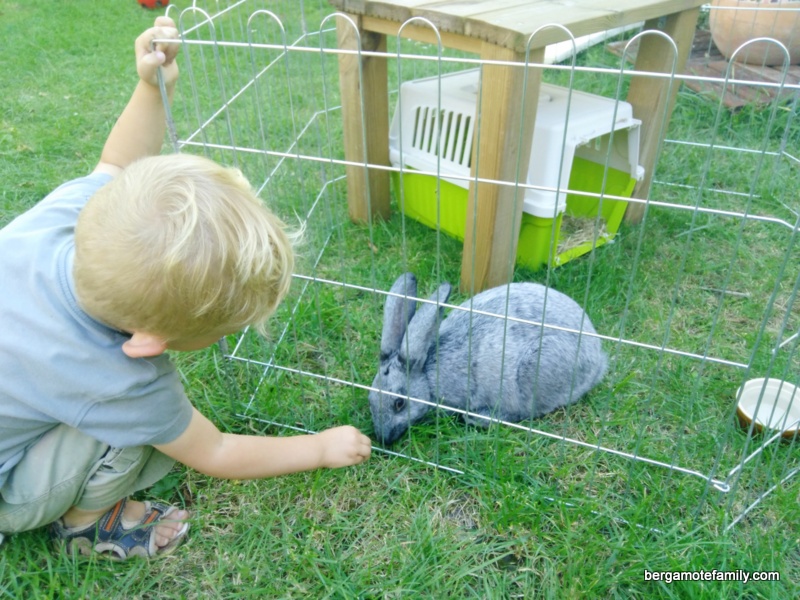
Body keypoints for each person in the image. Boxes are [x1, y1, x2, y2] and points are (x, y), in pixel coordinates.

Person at [0, 16, 372, 560]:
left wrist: (153, 87)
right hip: (9, 492)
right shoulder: (124, 382)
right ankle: (86, 526)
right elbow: (216, 451)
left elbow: (113, 161)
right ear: (148, 341)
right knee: (138, 436)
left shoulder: (59, 223)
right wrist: (317, 447)